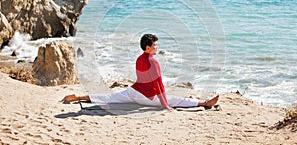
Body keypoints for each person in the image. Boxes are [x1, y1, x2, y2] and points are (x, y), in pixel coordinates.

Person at [61, 34, 219, 110]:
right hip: (146, 98)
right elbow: (158, 86)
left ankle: (79, 97)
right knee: (174, 100)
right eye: (155, 45)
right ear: (148, 47)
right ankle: (204, 103)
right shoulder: (153, 62)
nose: (157, 47)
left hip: (133, 92)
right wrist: (165, 105)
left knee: (109, 97)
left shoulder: (139, 58)